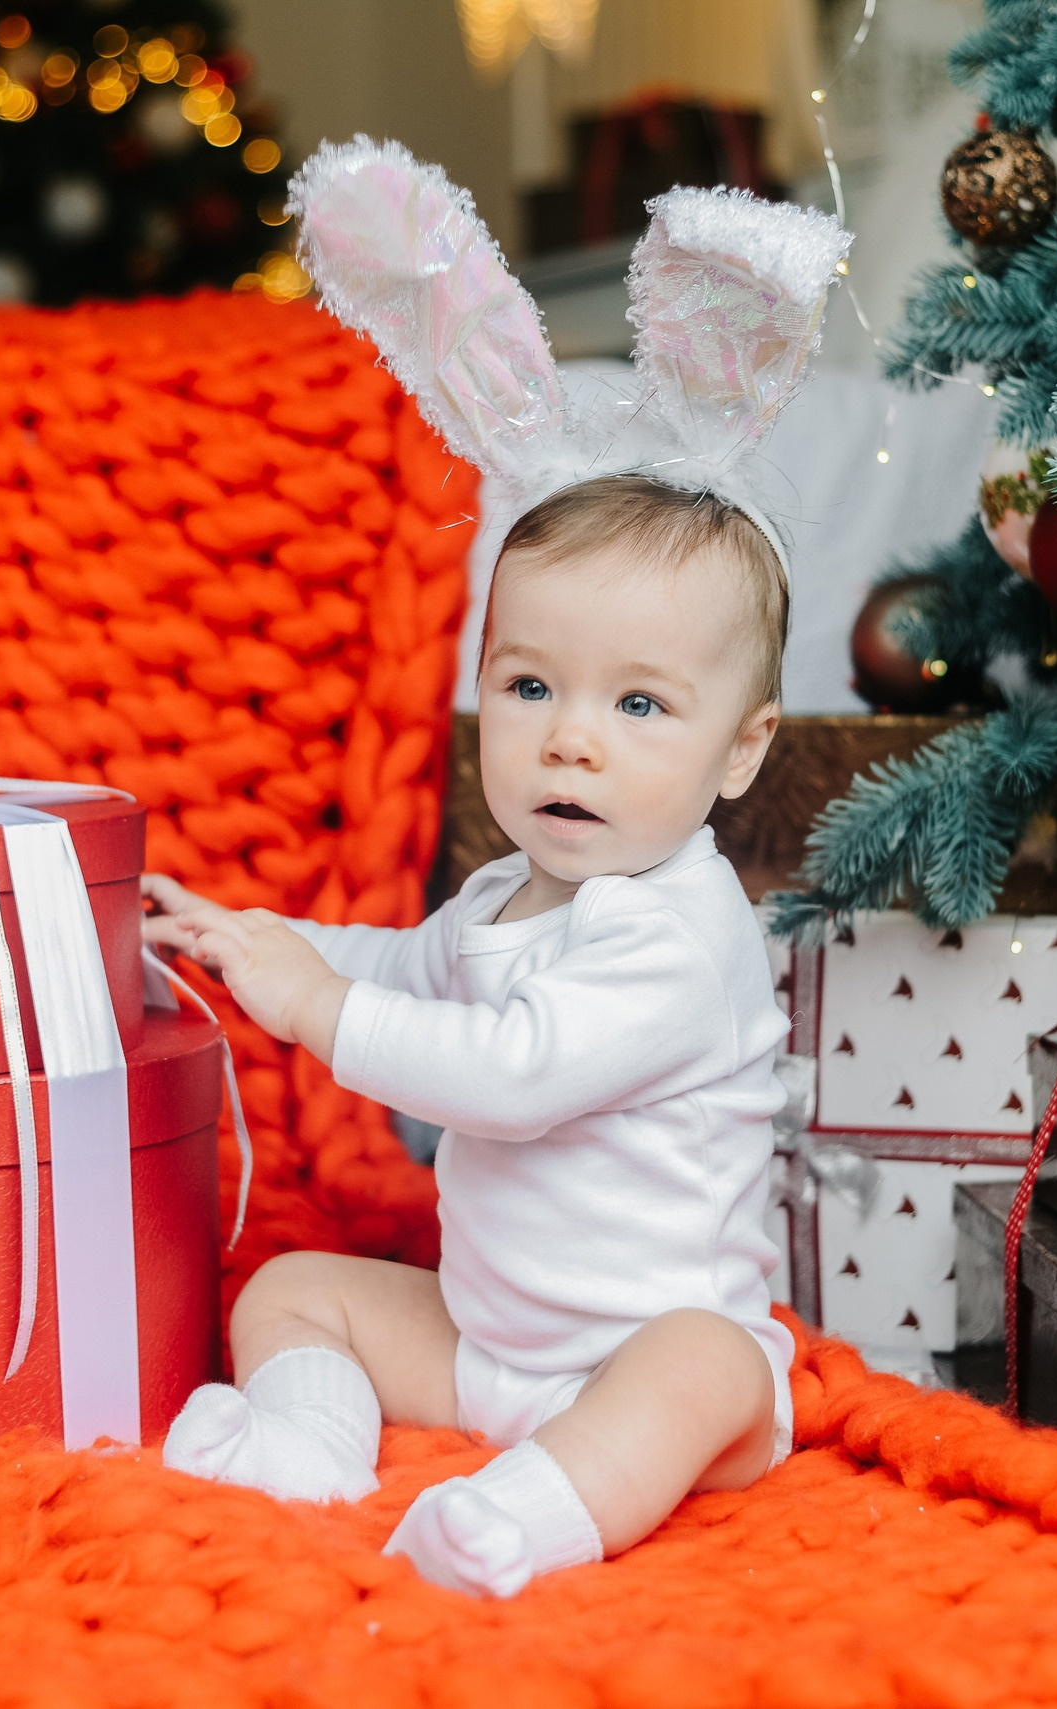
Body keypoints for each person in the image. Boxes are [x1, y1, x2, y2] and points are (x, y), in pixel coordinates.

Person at [143, 135, 847, 1599]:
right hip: (492, 1345)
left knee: (712, 1365)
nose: (568, 744)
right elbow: (407, 964)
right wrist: (253, 935)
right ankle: (307, 1447)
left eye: (638, 704)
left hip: (640, 1359)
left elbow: (512, 1071)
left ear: (741, 746)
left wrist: (317, 1016)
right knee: (288, 1289)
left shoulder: (679, 932)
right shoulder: (503, 894)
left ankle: (533, 1513)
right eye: (530, 688)